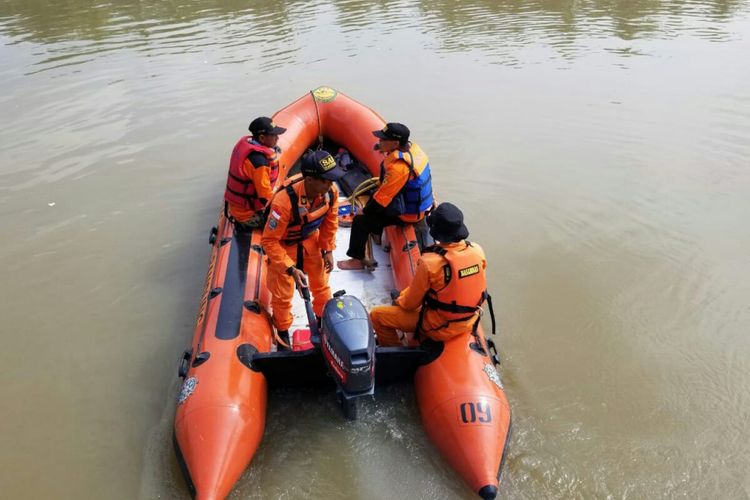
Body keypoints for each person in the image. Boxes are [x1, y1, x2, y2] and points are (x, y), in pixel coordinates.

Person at [369, 203, 487, 346]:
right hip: (470, 320)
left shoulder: (430, 263)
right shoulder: (477, 250)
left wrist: (398, 299)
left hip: (439, 326)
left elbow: (410, 304)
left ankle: (394, 349)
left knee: (377, 316)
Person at [261, 150, 346, 349]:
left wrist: (328, 250)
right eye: (325, 180)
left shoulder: (330, 192)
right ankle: (283, 335)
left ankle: (323, 324)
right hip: (283, 247)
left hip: (310, 241)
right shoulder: (284, 202)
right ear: (309, 180)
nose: (330, 185)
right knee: (282, 295)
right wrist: (290, 268)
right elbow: (269, 241)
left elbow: (330, 222)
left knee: (321, 285)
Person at [337, 122, 434, 270]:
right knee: (374, 199)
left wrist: (365, 211)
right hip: (417, 205)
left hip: (408, 214)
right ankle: (376, 234)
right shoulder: (413, 151)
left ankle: (357, 259)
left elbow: (382, 200)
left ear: (395, 143)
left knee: (360, 220)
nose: (379, 142)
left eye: (383, 140)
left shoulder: (399, 168)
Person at [224, 116, 286, 229]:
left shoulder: (248, 145)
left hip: (238, 208)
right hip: (247, 216)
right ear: (262, 138)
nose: (277, 138)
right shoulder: (259, 164)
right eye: (274, 135)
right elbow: (265, 197)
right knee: (288, 222)